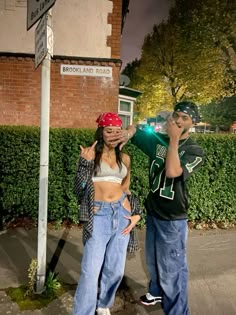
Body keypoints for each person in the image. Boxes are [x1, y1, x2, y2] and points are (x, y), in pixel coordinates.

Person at [107, 101, 205, 315]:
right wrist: (128, 132)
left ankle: (178, 311)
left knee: (173, 270)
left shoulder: (195, 151)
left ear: (193, 123)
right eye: (176, 115)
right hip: (154, 212)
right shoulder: (158, 141)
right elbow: (138, 129)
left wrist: (174, 139)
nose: (178, 120)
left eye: (184, 118)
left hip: (173, 219)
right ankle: (157, 292)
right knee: (153, 261)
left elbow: (172, 172)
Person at [72, 112, 142, 315]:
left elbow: (126, 189)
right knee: (90, 271)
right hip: (99, 215)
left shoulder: (126, 159)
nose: (112, 135)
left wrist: (136, 213)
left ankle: (103, 305)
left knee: (115, 269)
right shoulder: (91, 155)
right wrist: (84, 164)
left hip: (121, 214)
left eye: (117, 131)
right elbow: (79, 188)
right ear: (101, 132)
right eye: (108, 130)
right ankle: (82, 312)